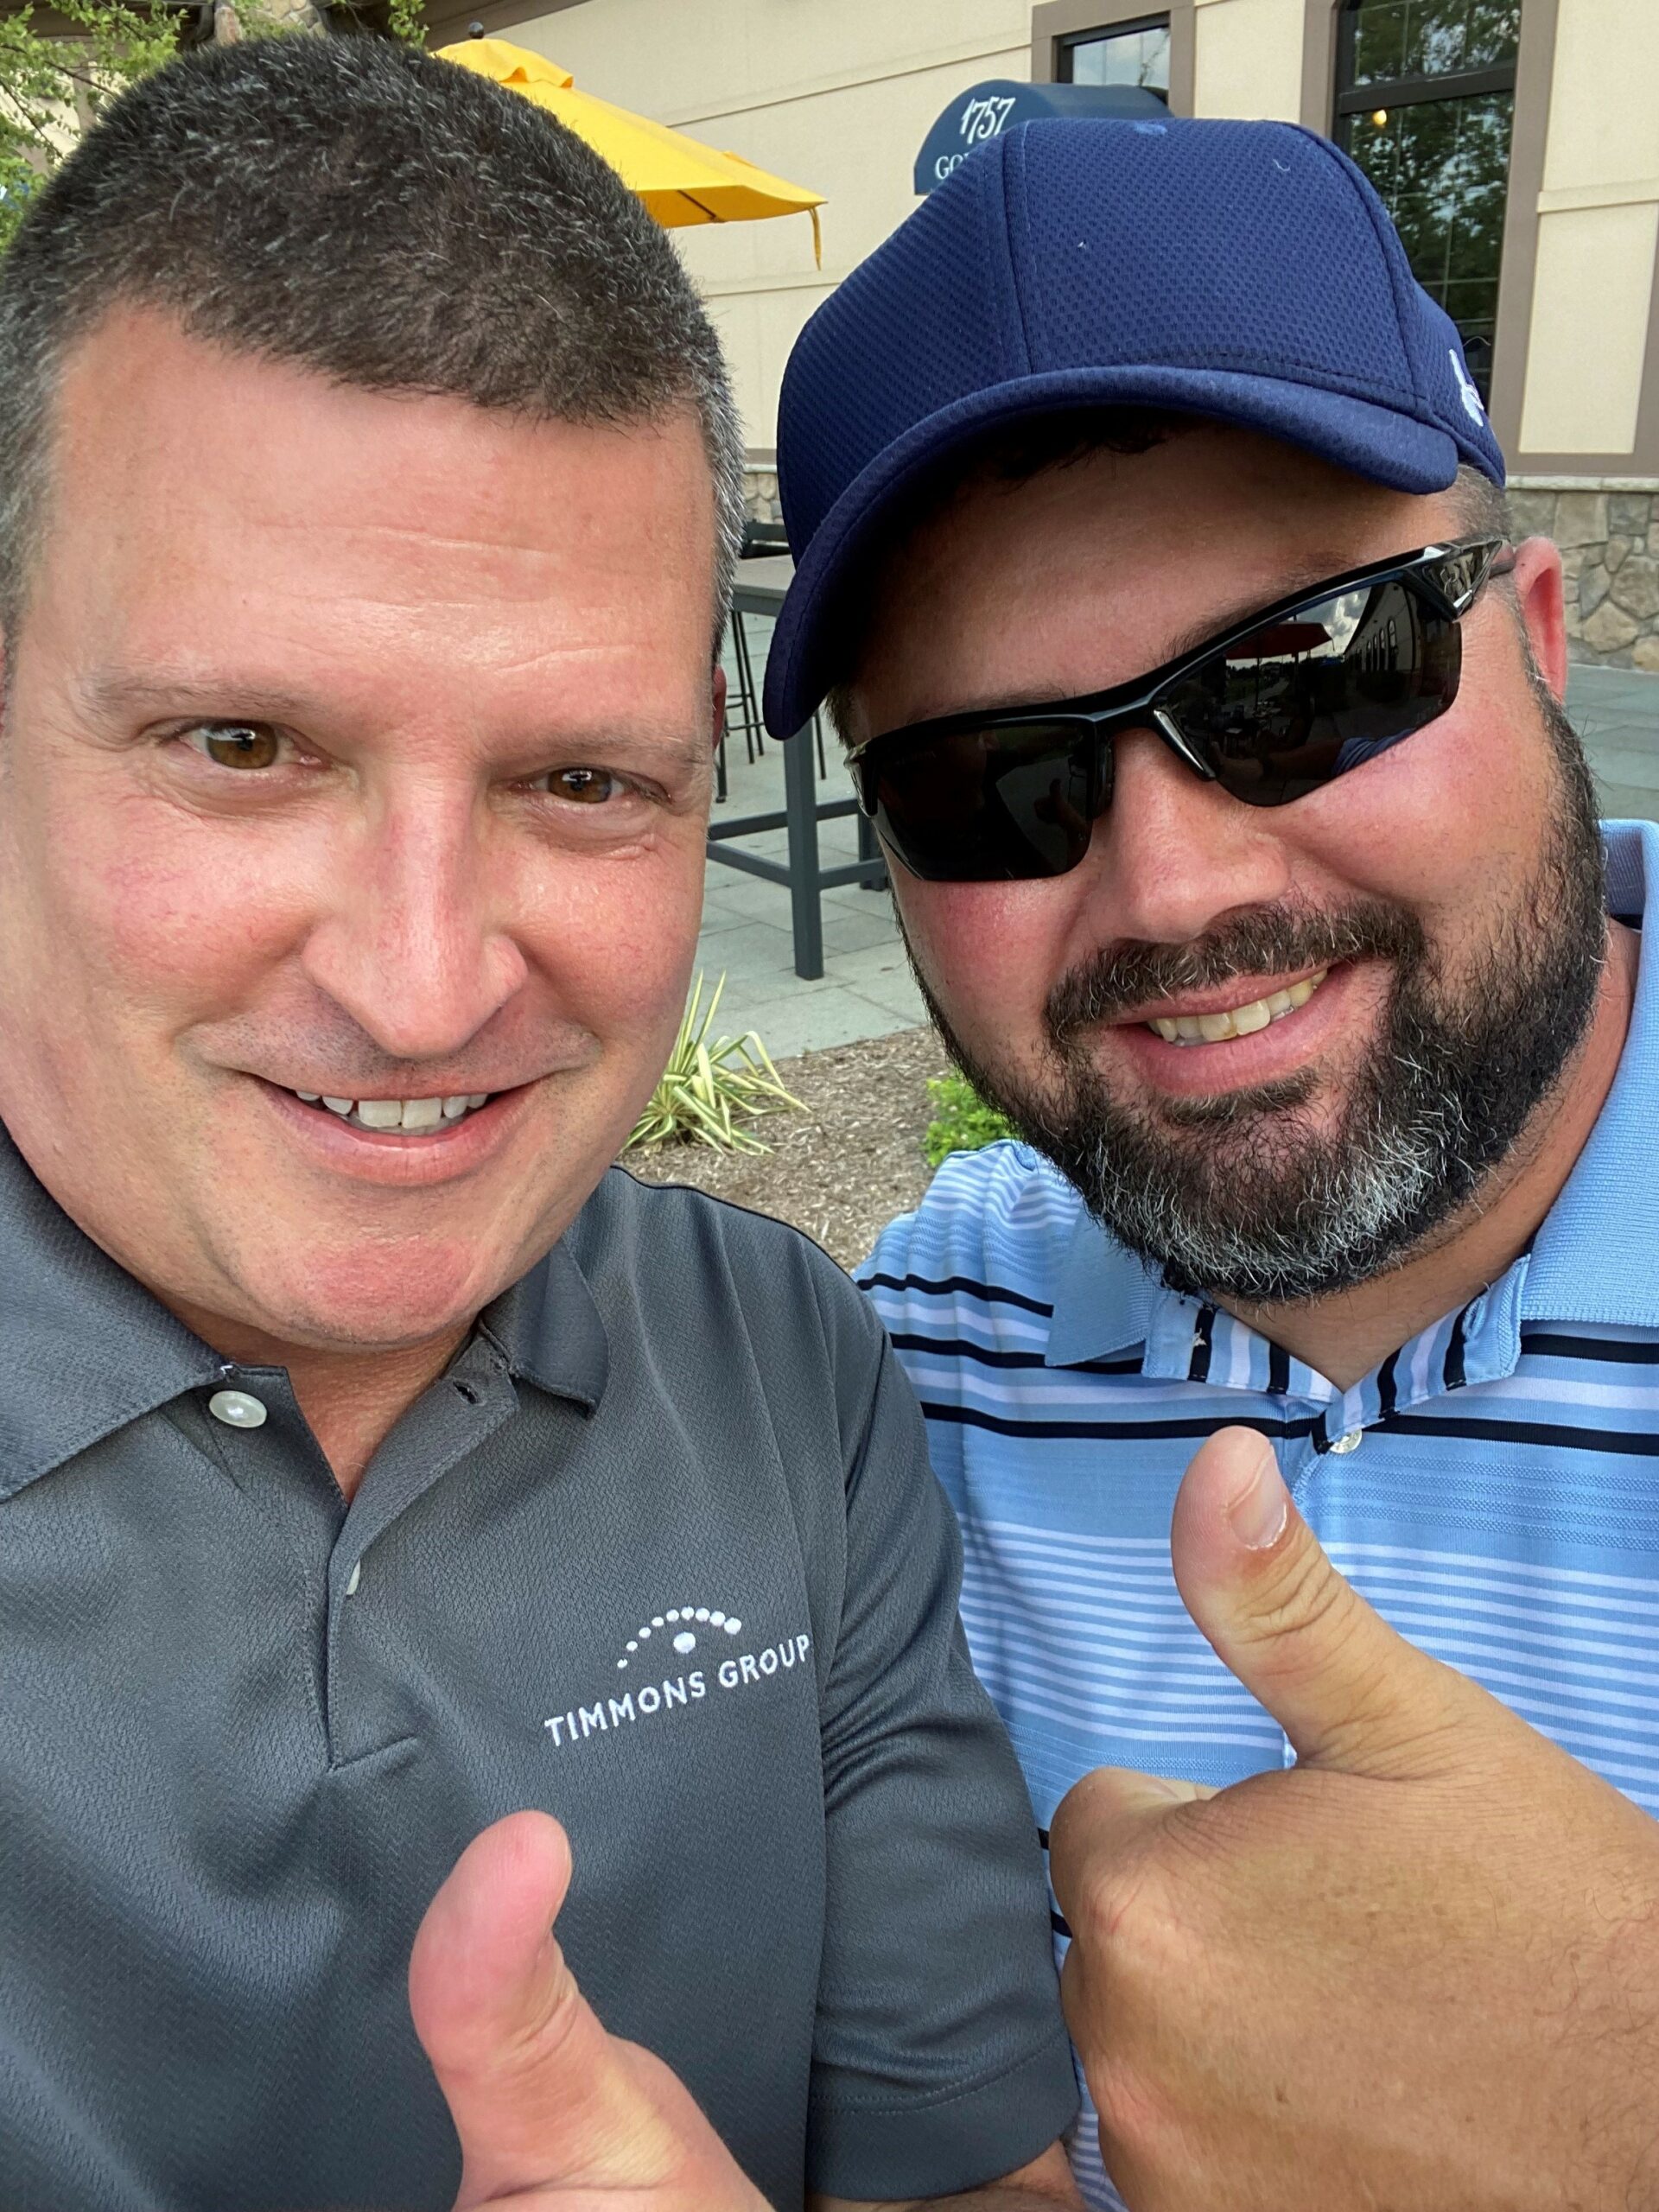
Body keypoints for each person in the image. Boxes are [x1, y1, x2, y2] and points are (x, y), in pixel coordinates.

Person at [0, 38, 1084, 2212]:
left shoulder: (778, 1362)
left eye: (584, 780)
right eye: (242, 740)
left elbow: (970, 2172)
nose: (424, 982)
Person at [765, 115, 1659, 2210]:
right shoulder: (903, 1376)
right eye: (1002, 782)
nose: (1169, 886)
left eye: (1306, 677)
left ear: (1536, 633)